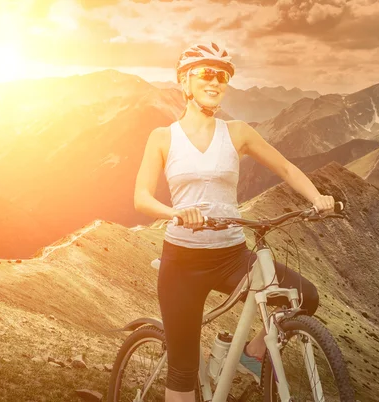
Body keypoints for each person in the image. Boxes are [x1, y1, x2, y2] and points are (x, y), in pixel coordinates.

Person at [133, 42, 335, 402]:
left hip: (232, 256)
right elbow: (142, 197)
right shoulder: (163, 137)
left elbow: (286, 167)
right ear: (185, 82)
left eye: (223, 76)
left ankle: (254, 351)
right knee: (182, 372)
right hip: (182, 262)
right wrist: (175, 212)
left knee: (306, 297)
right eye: (207, 74)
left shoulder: (237, 132)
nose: (216, 82)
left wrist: (316, 198)